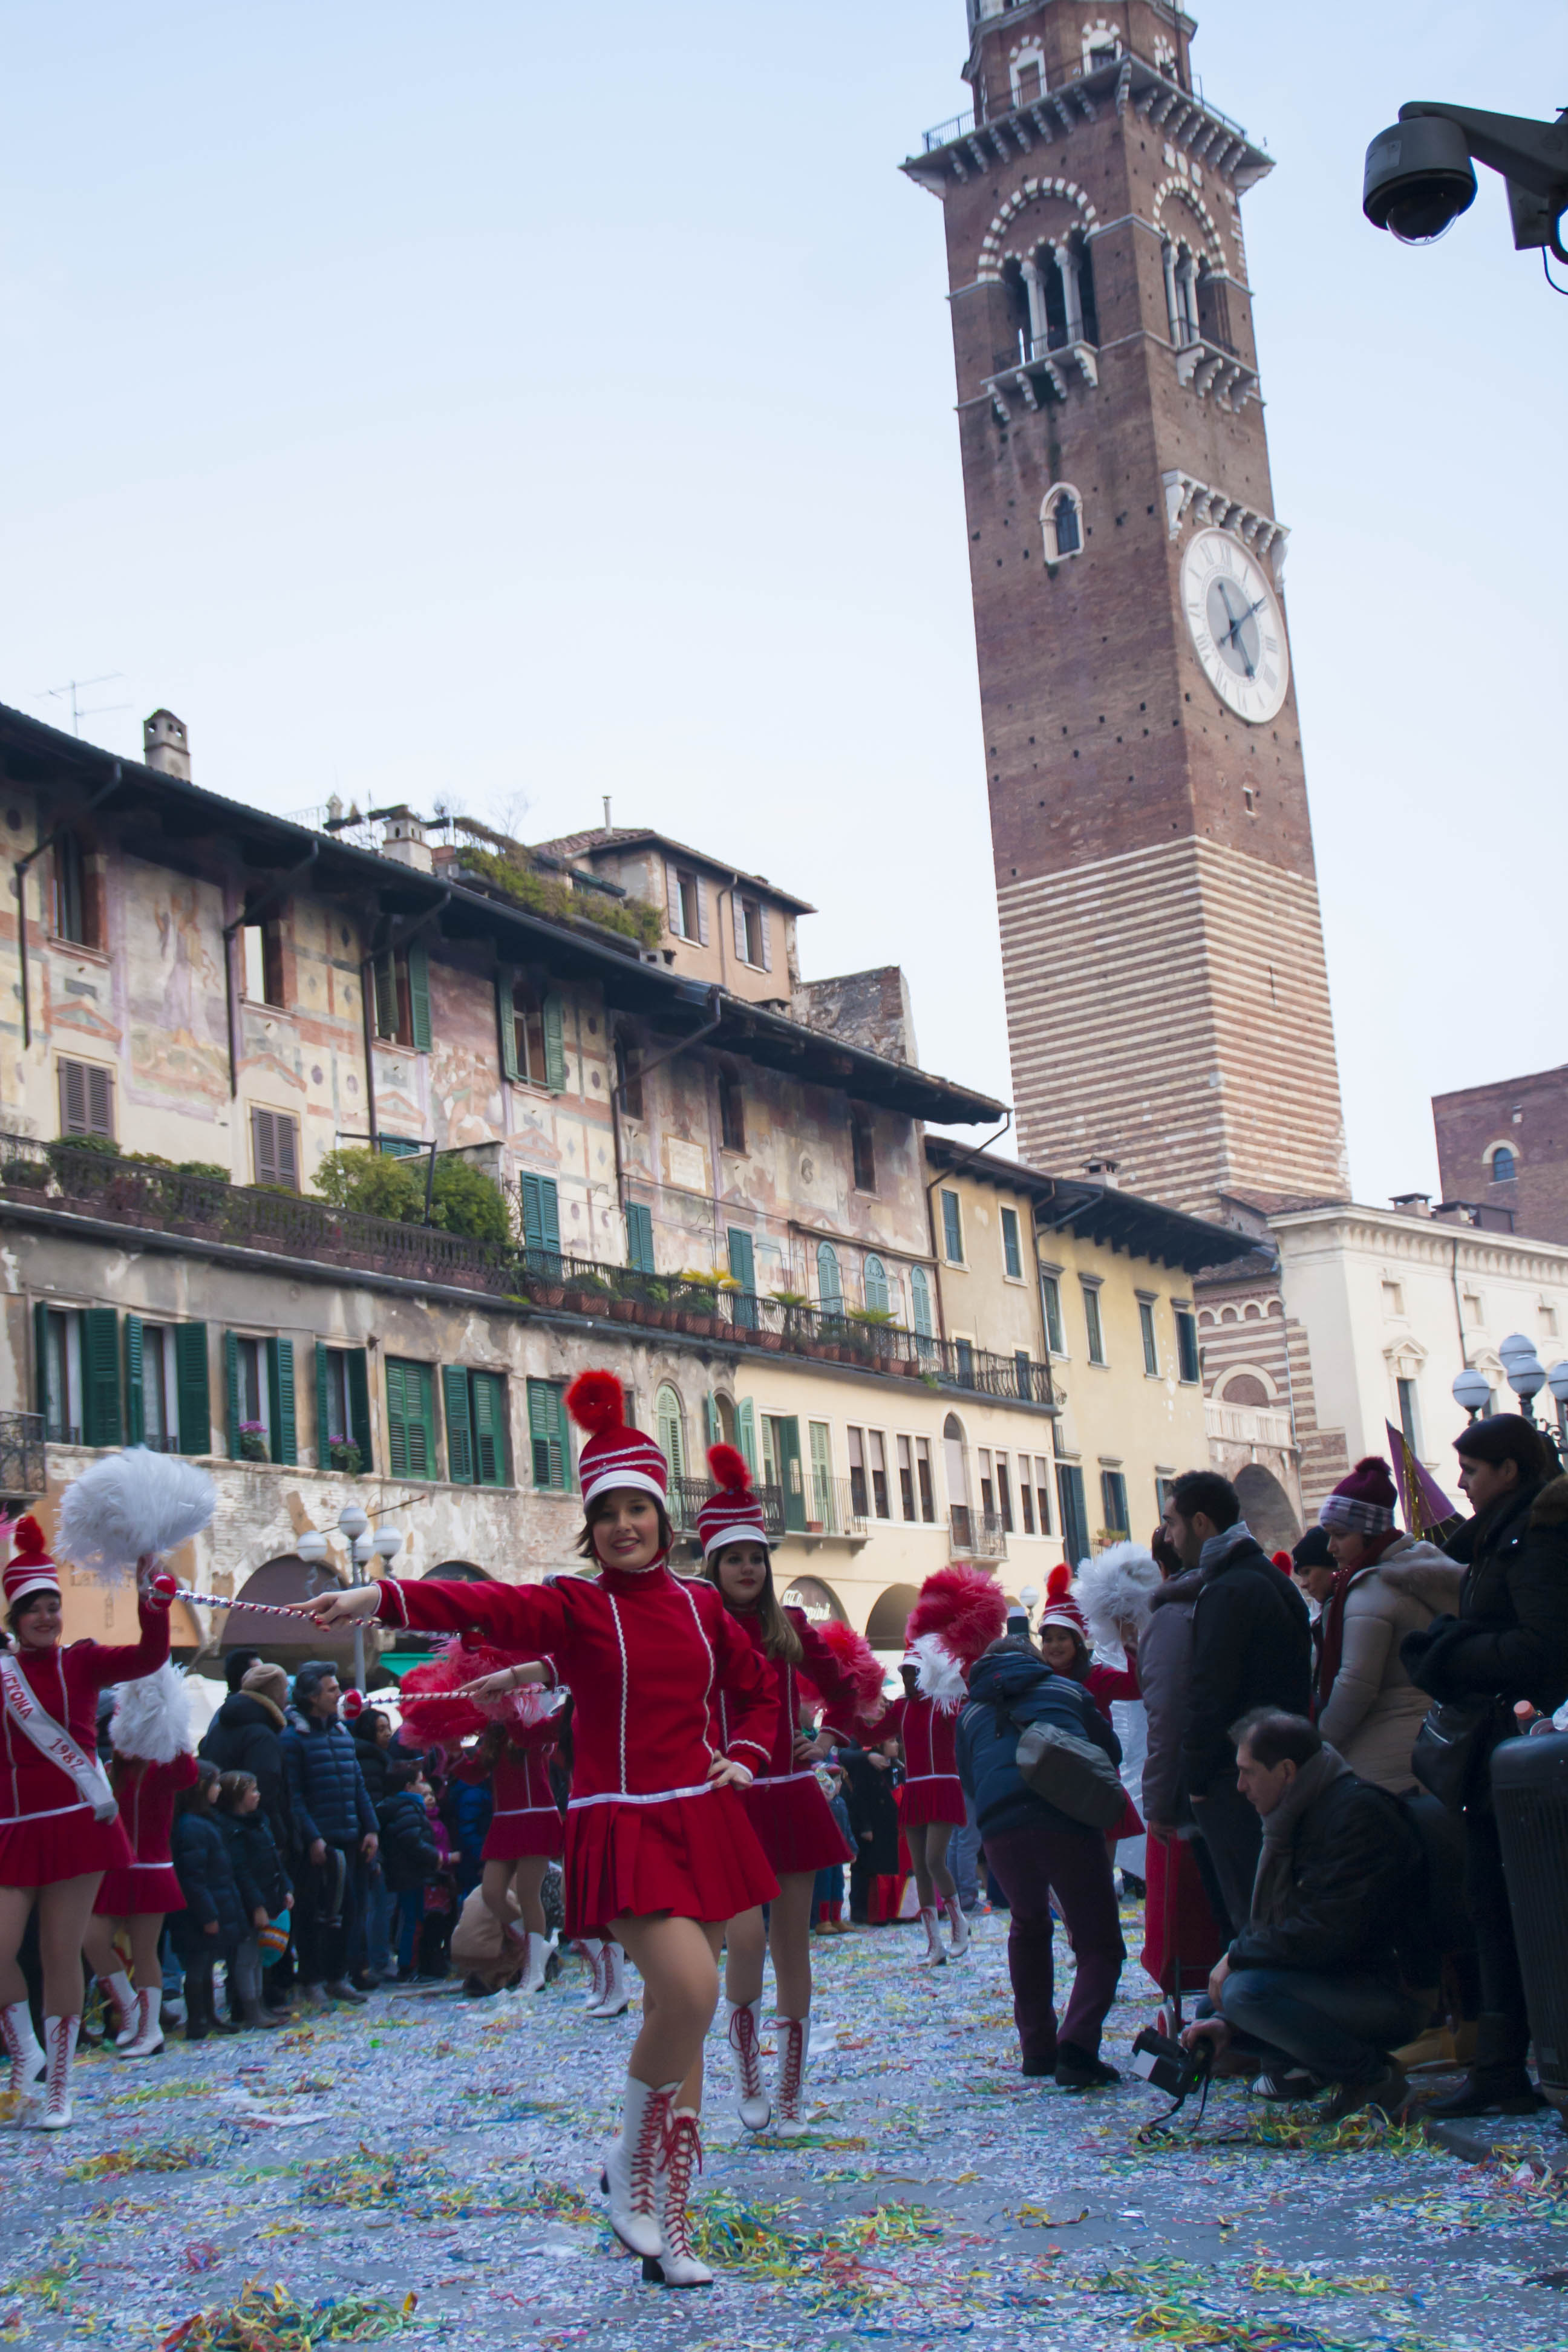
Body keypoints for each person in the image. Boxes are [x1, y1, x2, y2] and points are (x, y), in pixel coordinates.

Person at [294, 1370, 779, 2290]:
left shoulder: (705, 1606)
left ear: (664, 1521)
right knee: (689, 1991)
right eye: (608, 1514)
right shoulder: (575, 1603)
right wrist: (381, 1599)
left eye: (640, 1508)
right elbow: (489, 1605)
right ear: (591, 1529)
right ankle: (628, 2175)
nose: (626, 1526)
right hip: (622, 1827)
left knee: (691, 2025)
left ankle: (671, 2223)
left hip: (704, 1821)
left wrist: (747, 1755)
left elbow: (754, 1690)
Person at [699, 1445, 869, 2137]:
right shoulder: (696, 1624)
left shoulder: (791, 1628)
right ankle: (748, 2079)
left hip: (792, 1794)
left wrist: (827, 1740)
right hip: (728, 1797)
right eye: (733, 1557)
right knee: (742, 1939)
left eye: (756, 1557)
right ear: (711, 1564)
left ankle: (792, 2092)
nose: (747, 1567)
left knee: (792, 1945)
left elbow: (850, 1691)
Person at [1402, 1414, 1568, 2117]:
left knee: (1514, 1908)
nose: (1461, 1483)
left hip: (1521, 1754)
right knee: (1491, 1906)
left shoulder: (1535, 1539)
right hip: (1494, 1756)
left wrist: (1449, 1653)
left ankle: (1516, 2064)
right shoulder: (1501, 1537)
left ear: (1509, 1470)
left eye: (1471, 1469)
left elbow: (1543, 1646)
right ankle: (1502, 2064)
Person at [0, 1515, 173, 2129]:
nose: (46, 1616)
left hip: (77, 1824)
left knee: (59, 1953)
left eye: (53, 1605)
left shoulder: (83, 1664)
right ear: (14, 1618)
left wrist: (150, 1600)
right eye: (32, 1608)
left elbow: (152, 1655)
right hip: (12, 1829)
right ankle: (26, 2054)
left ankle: (59, 2091)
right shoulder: (2, 1677)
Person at [1182, 1710, 1426, 2120]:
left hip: (1393, 1991)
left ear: (1287, 1771)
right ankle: (1333, 2070)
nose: (1241, 1787)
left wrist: (1239, 1955)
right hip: (1346, 1976)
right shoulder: (1302, 1810)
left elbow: (1328, 1934)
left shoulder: (1356, 1814)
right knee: (1216, 2012)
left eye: (1248, 1773)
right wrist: (1230, 2019)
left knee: (1244, 1994)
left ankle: (1373, 2078)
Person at [956, 1635, 1125, 2088]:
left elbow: (970, 1777)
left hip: (1000, 1828)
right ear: (1034, 1661)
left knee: (1028, 1926)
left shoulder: (970, 1712)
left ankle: (1037, 2050)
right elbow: (1110, 1751)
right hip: (1066, 1814)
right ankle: (1077, 2045)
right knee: (1099, 1943)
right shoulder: (1066, 1691)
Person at [1161, 1471, 1311, 1938]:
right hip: (1277, 1761)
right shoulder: (1263, 1577)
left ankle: (1252, 2005)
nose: (1168, 1536)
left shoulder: (1228, 1589)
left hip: (1238, 1775)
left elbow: (1209, 1694)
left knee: (1250, 1913)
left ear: (1201, 1522)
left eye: (1171, 1523)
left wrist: (1198, 1778)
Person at [875, 1567, 1006, 1965]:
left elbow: (973, 1702)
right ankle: (933, 1942)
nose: (909, 1679)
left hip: (944, 1784)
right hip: (915, 1788)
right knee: (921, 1868)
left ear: (929, 1669)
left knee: (935, 1859)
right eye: (904, 1673)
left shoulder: (947, 1703)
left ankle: (959, 1924)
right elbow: (869, 1730)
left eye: (913, 1672)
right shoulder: (901, 1707)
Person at [1310, 1457, 1459, 1794]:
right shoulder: (1419, 1568)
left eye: (1340, 1535)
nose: (1331, 1547)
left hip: (1383, 1755)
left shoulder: (1371, 1591)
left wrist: (1322, 1741)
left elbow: (1355, 1685)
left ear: (1369, 1534)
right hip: (1425, 1739)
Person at [83, 1663, 200, 2059]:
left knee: (144, 1949)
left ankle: (150, 2030)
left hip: (151, 1867)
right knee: (92, 1940)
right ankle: (132, 2012)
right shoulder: (120, 1765)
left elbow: (189, 1774)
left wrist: (174, 1726)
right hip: (117, 1867)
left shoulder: (166, 1765)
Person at [1136, 1525, 1227, 2004]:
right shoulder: (1236, 1596)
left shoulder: (1173, 1618)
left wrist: (1159, 1802)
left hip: (1205, 1783)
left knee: (1219, 1908)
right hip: (1252, 1770)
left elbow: (1167, 1713)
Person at [279, 1662, 379, 2010]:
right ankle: (311, 1979)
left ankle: (338, 1976)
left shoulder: (341, 1734)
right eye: (331, 1689)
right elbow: (294, 1796)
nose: (339, 1694)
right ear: (311, 1696)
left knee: (348, 1909)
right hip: (319, 1843)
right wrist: (312, 1838)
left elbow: (358, 1785)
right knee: (314, 1913)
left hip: (349, 1834)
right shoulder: (292, 1739)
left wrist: (371, 1827)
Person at [1034, 1563, 1145, 1848]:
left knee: (1101, 1883)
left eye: (1062, 1638)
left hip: (1099, 1785)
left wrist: (1130, 1645)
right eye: (1048, 1639)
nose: (1054, 1646)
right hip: (1056, 1791)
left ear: (1078, 1642)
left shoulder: (1097, 1677)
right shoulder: (1035, 1684)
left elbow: (1138, 1687)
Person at [462, 1705, 566, 1996]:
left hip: (536, 1816)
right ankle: (537, 1949)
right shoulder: (493, 1732)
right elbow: (475, 1774)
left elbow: (539, 1739)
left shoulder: (533, 1724)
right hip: (505, 1821)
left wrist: (514, 1708)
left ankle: (534, 1973)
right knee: (492, 1893)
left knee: (528, 1895)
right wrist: (452, 1753)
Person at [169, 1759, 245, 2040]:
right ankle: (198, 2020)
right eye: (214, 1784)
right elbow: (193, 1878)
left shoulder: (203, 1822)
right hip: (198, 1913)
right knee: (198, 1968)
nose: (218, 1790)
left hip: (210, 1905)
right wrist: (208, 1915)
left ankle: (210, 2015)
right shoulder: (192, 1827)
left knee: (206, 1964)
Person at [214, 1770, 291, 2028]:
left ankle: (259, 2005)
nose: (258, 1795)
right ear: (237, 1797)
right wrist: (256, 1905)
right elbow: (241, 1871)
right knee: (246, 1958)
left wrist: (285, 1889)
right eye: (253, 1791)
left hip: (268, 1896)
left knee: (259, 1957)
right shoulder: (232, 1829)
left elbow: (274, 1860)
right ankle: (250, 2009)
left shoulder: (260, 1822)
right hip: (246, 1903)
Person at [200, 1660, 292, 1860]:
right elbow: (266, 1792)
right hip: (253, 1835)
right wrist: (279, 1835)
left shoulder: (220, 1727)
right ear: (274, 1694)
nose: (287, 1695)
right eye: (285, 1689)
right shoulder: (262, 1735)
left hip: (220, 1825)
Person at [838, 1737, 903, 1926]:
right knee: (864, 1866)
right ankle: (860, 1910)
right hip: (867, 1820)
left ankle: (884, 1909)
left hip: (885, 1821)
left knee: (882, 1866)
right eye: (892, 1742)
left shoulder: (895, 1764)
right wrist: (867, 1756)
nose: (897, 1745)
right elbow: (860, 1796)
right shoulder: (859, 1740)